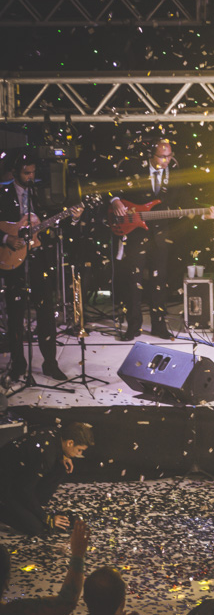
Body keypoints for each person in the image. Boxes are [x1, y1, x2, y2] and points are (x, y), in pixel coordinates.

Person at [110, 138, 214, 341]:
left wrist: (205, 214)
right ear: (152, 156)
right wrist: (115, 200)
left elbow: (186, 204)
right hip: (135, 231)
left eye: (169, 156)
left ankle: (159, 325)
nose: (166, 160)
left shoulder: (174, 176)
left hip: (160, 235)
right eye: (162, 156)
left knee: (159, 281)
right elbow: (113, 185)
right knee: (134, 280)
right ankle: (133, 326)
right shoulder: (135, 167)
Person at [0, 150, 83, 380]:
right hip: (12, 259)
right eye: (26, 173)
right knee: (16, 312)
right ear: (15, 172)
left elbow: (56, 220)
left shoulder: (39, 194)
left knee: (46, 311)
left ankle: (50, 363)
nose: (30, 177)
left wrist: (73, 217)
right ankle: (18, 363)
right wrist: (7, 239)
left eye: (33, 173)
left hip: (38, 258)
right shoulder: (3, 194)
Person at [0, 420, 94, 536]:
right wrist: (46, 517)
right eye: (79, 450)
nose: (79, 454)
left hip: (19, 474)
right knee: (37, 528)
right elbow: (24, 490)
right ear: (70, 443)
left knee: (62, 466)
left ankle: (33, 506)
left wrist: (62, 457)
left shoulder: (56, 433)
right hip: (7, 485)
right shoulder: (46, 456)